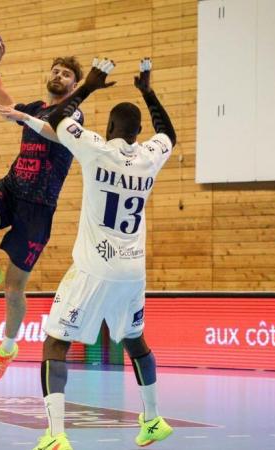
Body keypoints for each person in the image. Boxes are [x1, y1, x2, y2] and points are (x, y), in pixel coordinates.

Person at [31, 56, 176, 450]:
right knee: (135, 340)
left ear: (109, 128)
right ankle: (153, 420)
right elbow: (169, 133)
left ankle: (55, 435)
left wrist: (91, 85)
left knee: (55, 344)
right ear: (138, 132)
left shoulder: (94, 147)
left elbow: (57, 117)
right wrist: (148, 91)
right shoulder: (149, 156)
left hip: (95, 268)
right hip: (133, 272)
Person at [0, 41, 84, 384]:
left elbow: (56, 134)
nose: (59, 75)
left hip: (39, 209)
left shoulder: (72, 115)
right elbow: (4, 104)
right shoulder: (37, 107)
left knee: (14, 289)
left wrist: (23, 116)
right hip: (11, 189)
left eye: (67, 74)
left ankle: (7, 348)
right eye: (56, 70)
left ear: (74, 85)